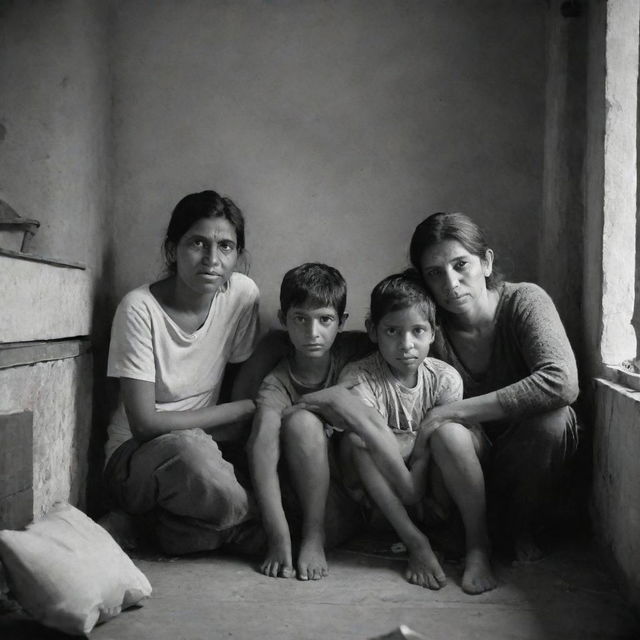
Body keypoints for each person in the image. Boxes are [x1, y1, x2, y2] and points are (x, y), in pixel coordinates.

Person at [408, 211, 579, 561]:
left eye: (461, 265)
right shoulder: (428, 326)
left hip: (532, 457)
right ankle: (476, 533)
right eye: (435, 274)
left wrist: (453, 410)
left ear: (486, 263)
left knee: (553, 419)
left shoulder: (524, 301)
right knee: (447, 434)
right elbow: (377, 336)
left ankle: (520, 528)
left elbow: (561, 381)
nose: (451, 283)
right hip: (470, 456)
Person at [102, 190, 261, 555]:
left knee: (226, 458)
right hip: (136, 456)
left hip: (208, 445)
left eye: (225, 247)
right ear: (173, 250)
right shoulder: (139, 308)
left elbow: (242, 376)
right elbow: (143, 423)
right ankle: (254, 517)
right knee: (195, 457)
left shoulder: (242, 295)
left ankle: (160, 529)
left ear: (238, 255)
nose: (212, 259)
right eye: (198, 243)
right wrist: (235, 411)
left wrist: (243, 422)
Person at [332, 270, 495, 594]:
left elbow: (448, 444)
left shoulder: (444, 378)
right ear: (373, 331)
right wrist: (420, 448)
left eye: (417, 331)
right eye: (392, 331)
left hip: (436, 498)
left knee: (450, 434)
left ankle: (478, 546)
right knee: (359, 440)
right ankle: (416, 543)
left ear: (433, 333)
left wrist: (422, 448)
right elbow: (377, 446)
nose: (406, 345)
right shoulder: (359, 377)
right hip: (384, 501)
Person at [249, 263, 360, 581]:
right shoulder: (277, 382)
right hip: (310, 501)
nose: (313, 333)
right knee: (301, 423)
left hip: (361, 492)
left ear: (341, 323)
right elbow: (261, 445)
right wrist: (278, 535)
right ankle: (310, 536)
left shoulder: (356, 350)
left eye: (325, 319)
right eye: (301, 319)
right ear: (284, 320)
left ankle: (315, 536)